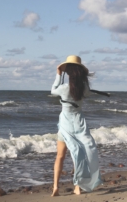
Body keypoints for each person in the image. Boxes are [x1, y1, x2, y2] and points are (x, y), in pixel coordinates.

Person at [51, 55, 103, 196]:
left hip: (65, 125)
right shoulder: (84, 89)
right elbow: (85, 88)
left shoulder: (63, 88)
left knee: (60, 156)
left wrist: (58, 74)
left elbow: (53, 90)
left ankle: (56, 187)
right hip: (79, 124)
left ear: (68, 73)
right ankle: (78, 186)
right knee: (78, 154)